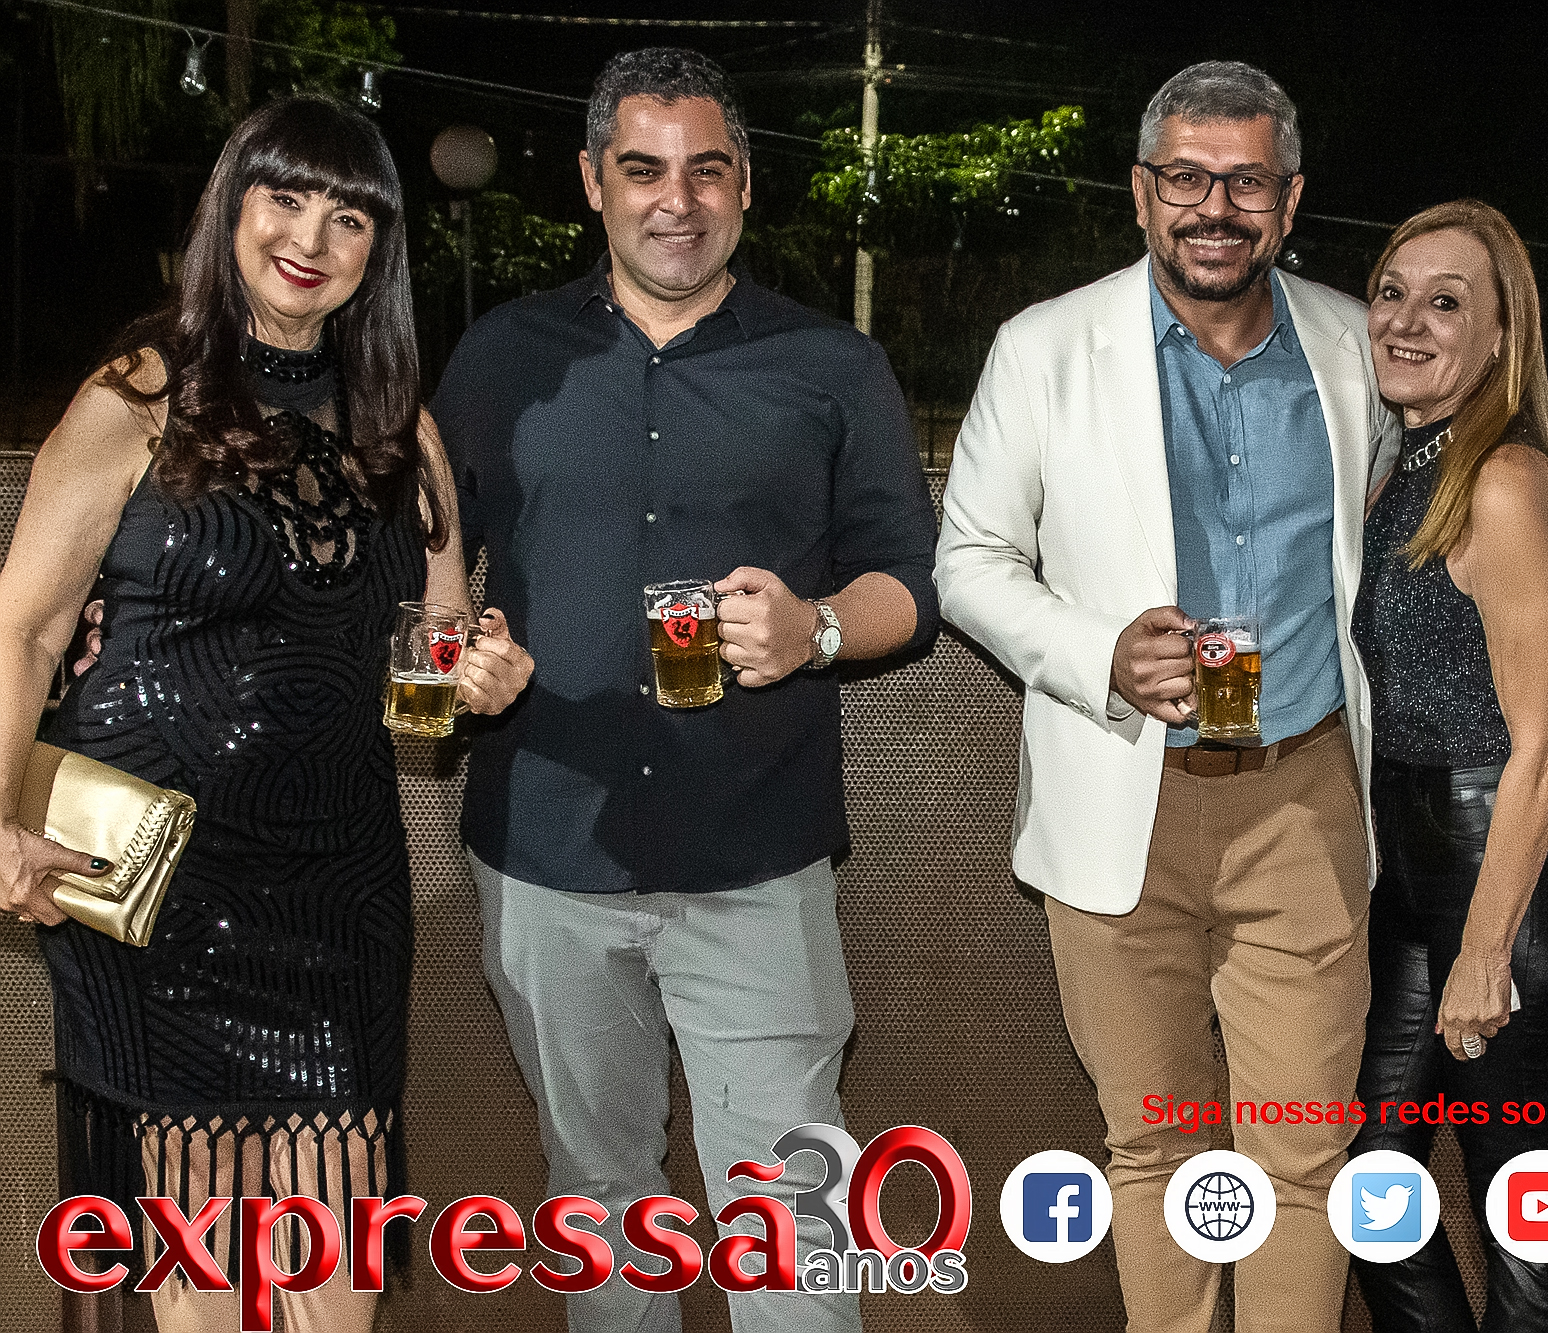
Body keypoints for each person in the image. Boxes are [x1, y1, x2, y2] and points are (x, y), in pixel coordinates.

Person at [0, 96, 533, 1333]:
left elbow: (430, 677)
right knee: (206, 1270)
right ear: (230, 209)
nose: (310, 238)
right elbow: (23, 629)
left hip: (339, 888)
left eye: (348, 216)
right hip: (156, 887)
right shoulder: (136, 396)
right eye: (284, 199)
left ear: (377, 249)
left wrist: (478, 680)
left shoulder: (404, 431)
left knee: (333, 1265)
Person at [429, 47, 937, 1333]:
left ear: (746, 185)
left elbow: (912, 582)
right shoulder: (498, 358)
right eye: (643, 169)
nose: (677, 199)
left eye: (706, 170)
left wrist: (818, 627)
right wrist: (459, 656)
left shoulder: (831, 364)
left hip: (755, 855)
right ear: (591, 181)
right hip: (547, 851)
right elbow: (424, 572)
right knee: (597, 1197)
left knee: (790, 1208)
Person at [937, 61, 1397, 1332]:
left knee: (1301, 1151)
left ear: (1288, 200)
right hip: (1117, 799)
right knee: (1154, 1146)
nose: (1213, 208)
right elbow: (967, 560)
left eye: (1244, 182)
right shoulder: (1043, 347)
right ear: (1140, 193)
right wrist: (1097, 653)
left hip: (1303, 797)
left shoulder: (1356, 346)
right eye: (1185, 178)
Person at [1345, 200, 1548, 1332]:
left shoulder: (1505, 479)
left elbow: (1544, 740)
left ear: (1500, 337)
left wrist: (1486, 949)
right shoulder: (1400, 472)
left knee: (1522, 1207)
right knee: (1372, 1184)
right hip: (1407, 875)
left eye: (1444, 302)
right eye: (1391, 292)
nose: (1405, 320)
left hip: (1504, 881)